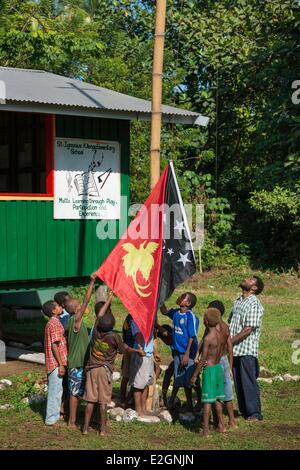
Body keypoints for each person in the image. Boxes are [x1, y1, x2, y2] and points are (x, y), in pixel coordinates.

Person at [83, 294, 144, 436]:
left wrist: (109, 298)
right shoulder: (114, 337)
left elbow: (99, 315)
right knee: (103, 401)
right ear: (112, 325)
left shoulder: (95, 332)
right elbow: (124, 350)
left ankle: (85, 428)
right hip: (104, 371)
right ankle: (103, 430)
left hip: (92, 368)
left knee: (90, 400)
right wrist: (136, 350)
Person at [228, 276, 265, 422]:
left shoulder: (254, 304)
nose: (245, 279)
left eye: (250, 280)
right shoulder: (238, 301)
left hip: (246, 349)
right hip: (234, 350)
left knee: (248, 381)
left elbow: (248, 329)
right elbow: (231, 323)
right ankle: (245, 411)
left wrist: (229, 343)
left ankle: (255, 413)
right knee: (238, 381)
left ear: (254, 288)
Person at [63, 273, 97, 429]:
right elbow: (86, 300)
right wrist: (91, 282)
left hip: (77, 362)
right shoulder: (76, 321)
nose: (84, 307)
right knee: (75, 393)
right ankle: (72, 421)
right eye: (80, 307)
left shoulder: (70, 322)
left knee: (75, 392)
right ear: (76, 310)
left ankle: (75, 419)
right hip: (77, 363)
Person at [160, 292, 201, 411]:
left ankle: (200, 401)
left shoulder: (190, 317)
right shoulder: (176, 313)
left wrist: (187, 354)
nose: (180, 297)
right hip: (177, 352)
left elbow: (192, 337)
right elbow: (164, 311)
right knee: (180, 378)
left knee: (192, 379)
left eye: (183, 297)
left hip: (188, 353)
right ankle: (189, 404)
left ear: (188, 303)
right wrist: (160, 298)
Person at [191, 308, 225, 437]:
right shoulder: (220, 334)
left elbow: (203, 359)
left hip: (209, 371)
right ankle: (221, 425)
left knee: (206, 402)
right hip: (217, 368)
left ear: (205, 321)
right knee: (216, 400)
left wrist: (195, 375)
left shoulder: (207, 339)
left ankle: (205, 430)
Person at [207, 300, 237, 429]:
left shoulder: (212, 328)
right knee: (228, 394)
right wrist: (230, 366)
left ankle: (220, 424)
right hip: (225, 360)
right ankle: (232, 421)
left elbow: (205, 343)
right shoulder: (226, 326)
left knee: (217, 395)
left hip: (215, 362)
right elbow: (230, 347)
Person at [42, 300, 67, 426]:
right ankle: (51, 418)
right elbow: (54, 345)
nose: (60, 306)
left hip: (53, 362)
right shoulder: (55, 323)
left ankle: (54, 416)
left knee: (57, 390)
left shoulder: (52, 322)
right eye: (58, 306)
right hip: (56, 363)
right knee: (55, 391)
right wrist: (61, 364)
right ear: (53, 310)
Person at [129, 320, 155, 417]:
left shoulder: (148, 317)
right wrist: (140, 348)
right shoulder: (136, 319)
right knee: (139, 385)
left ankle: (144, 408)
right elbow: (138, 335)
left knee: (145, 384)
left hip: (148, 353)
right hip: (142, 354)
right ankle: (139, 410)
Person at [54, 290, 72, 420]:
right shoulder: (65, 318)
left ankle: (63, 407)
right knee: (65, 382)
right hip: (66, 353)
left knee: (65, 382)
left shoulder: (62, 316)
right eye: (68, 299)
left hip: (65, 353)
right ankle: (63, 408)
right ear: (62, 304)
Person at [119, 313, 134, 407]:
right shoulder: (132, 318)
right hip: (132, 350)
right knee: (131, 377)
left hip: (128, 348)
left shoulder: (128, 317)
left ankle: (123, 399)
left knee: (126, 376)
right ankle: (125, 400)